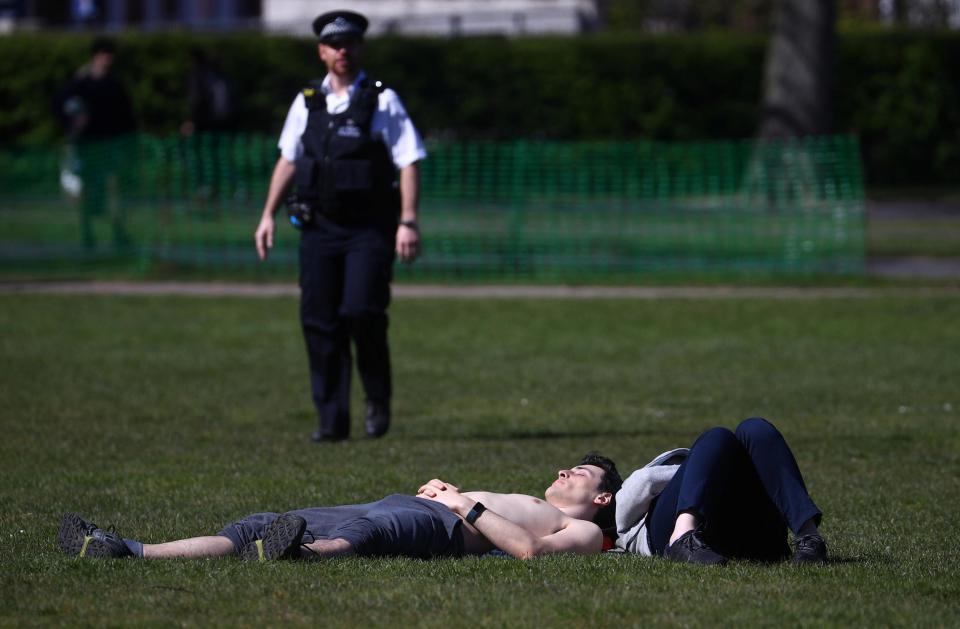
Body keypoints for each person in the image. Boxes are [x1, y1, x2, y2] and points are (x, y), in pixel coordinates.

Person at [253, 10, 425, 442]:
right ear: (322, 51)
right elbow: (289, 159)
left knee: (361, 311)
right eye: (334, 44)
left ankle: (377, 398)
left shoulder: (382, 100)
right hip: (319, 229)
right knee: (320, 320)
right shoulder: (308, 100)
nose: (342, 51)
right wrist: (267, 214)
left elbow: (408, 161)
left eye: (349, 43)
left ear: (360, 48)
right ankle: (331, 421)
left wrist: (407, 221)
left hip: (369, 229)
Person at [57, 454, 622, 561]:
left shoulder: (581, 533)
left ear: (602, 497)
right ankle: (128, 549)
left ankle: (299, 556)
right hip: (413, 504)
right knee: (259, 522)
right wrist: (453, 494)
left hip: (436, 525)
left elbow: (526, 550)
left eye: (579, 472)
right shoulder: (536, 499)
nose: (563, 472)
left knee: (366, 532)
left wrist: (458, 502)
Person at [615, 417, 827, 565]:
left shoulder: (616, 491)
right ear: (602, 498)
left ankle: (809, 538)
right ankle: (681, 537)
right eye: (579, 470)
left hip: (755, 535)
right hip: (669, 534)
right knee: (717, 437)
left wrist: (708, 467)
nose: (579, 470)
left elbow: (648, 479)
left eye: (584, 469)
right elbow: (647, 479)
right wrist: (706, 467)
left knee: (755, 429)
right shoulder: (599, 522)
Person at [54, 36, 137, 250]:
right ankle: (87, 233)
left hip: (109, 145)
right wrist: (73, 124)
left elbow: (126, 116)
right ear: (96, 57)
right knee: (86, 191)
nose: (107, 60)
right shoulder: (81, 83)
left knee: (113, 189)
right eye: (104, 55)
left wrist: (127, 141)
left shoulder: (114, 84)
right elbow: (62, 105)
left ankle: (119, 233)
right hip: (87, 145)